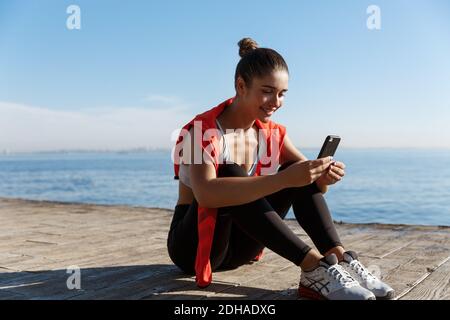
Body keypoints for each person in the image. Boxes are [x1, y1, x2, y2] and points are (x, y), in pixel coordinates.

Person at [167, 37, 394, 300]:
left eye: (282, 93)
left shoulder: (273, 133)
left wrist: (322, 177)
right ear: (241, 86)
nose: (275, 101)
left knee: (300, 167)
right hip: (193, 248)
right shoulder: (200, 131)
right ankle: (312, 266)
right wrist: (285, 179)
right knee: (229, 172)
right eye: (267, 91)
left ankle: (340, 258)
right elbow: (206, 194)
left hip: (241, 249)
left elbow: (307, 184)